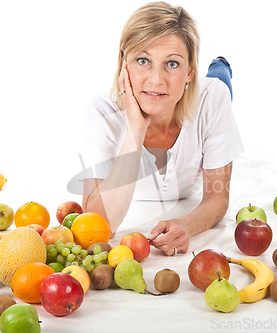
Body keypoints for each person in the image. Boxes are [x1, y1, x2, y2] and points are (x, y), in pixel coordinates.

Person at [81, 1, 243, 256]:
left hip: (205, 91)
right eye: (143, 60)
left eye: (173, 63)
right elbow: (96, 225)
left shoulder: (212, 99)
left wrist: (186, 224)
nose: (156, 80)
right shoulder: (101, 113)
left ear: (190, 70)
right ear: (124, 65)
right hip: (169, 99)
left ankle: (220, 66)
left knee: (220, 83)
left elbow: (217, 198)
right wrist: (136, 129)